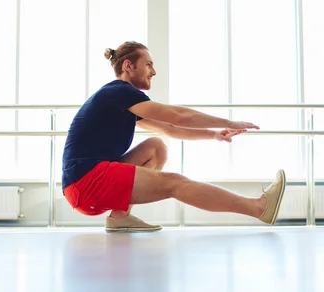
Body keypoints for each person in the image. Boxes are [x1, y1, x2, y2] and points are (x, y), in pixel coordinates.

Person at [62, 41, 286, 232]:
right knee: (174, 183)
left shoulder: (121, 101)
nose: (153, 71)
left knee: (156, 147)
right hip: (85, 182)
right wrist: (228, 122)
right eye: (148, 64)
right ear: (128, 65)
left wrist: (215, 134)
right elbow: (178, 115)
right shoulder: (119, 92)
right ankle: (259, 207)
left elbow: (169, 127)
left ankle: (119, 217)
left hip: (86, 182)